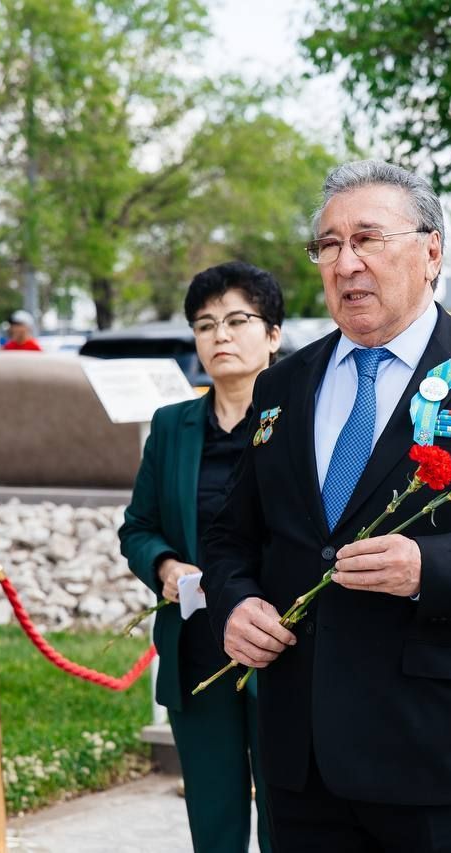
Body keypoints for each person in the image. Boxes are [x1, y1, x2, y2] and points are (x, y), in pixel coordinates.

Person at [202, 161, 451, 852]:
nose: (345, 263)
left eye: (367, 239)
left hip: (436, 756)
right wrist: (235, 604)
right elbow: (231, 535)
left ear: (431, 251)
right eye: (329, 245)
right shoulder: (283, 385)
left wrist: (429, 567)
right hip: (302, 760)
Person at [119, 261, 279, 853]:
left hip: (279, 645)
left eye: (237, 321)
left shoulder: (302, 419)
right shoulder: (172, 427)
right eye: (206, 325)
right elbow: (138, 527)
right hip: (197, 648)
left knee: (291, 817)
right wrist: (164, 566)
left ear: (273, 334)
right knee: (213, 820)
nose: (220, 336)